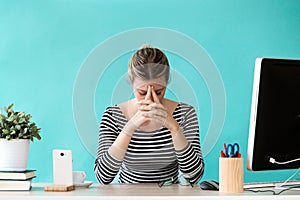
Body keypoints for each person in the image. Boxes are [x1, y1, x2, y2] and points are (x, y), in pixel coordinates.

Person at [94, 45, 204, 185]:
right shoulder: (113, 116)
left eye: (158, 92)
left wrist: (174, 127)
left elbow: (194, 176)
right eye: (141, 92)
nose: (150, 99)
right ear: (131, 82)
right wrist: (129, 128)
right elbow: (103, 177)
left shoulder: (185, 114)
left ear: (167, 82)